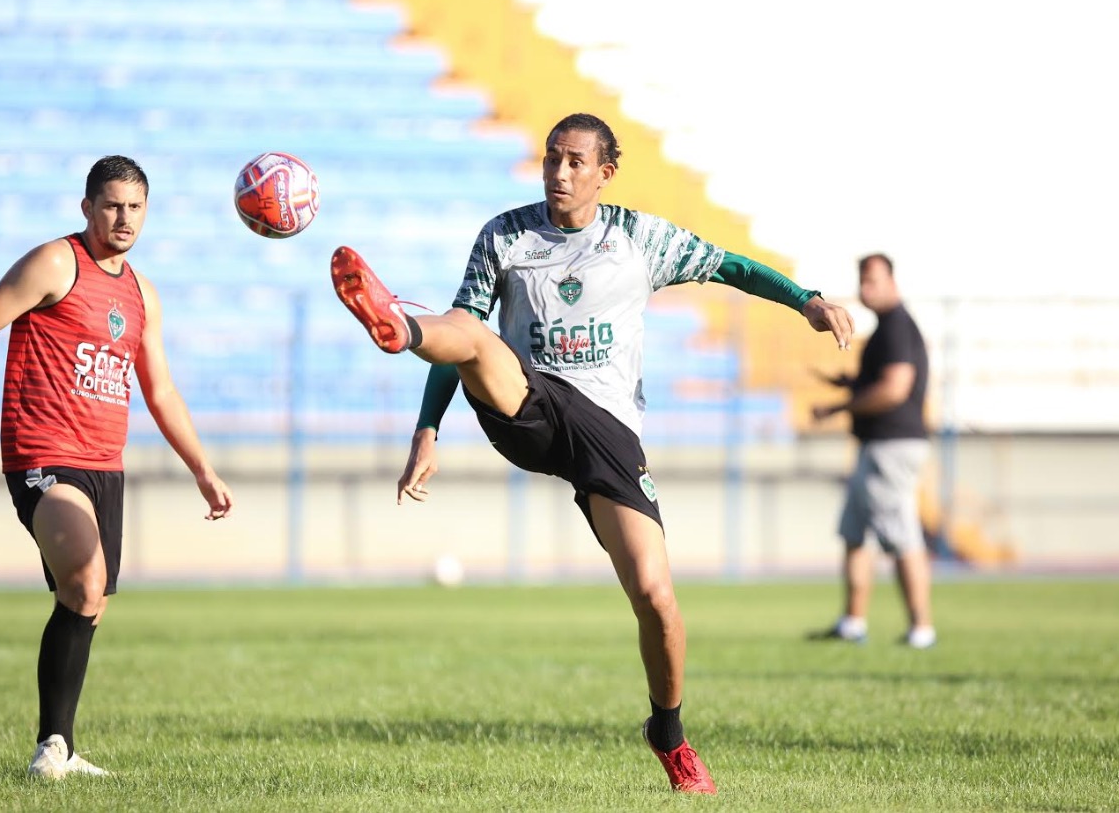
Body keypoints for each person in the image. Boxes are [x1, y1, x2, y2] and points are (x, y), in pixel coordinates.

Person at [329, 113, 854, 794]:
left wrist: (804, 299)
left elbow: (731, 266)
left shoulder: (640, 238)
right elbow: (464, 332)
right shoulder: (507, 234)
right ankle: (397, 323)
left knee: (658, 600)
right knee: (475, 337)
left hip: (608, 436)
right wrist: (426, 429)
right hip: (529, 406)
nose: (559, 172)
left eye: (576, 162)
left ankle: (668, 732)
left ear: (606, 173)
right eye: (552, 159)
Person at [0, 155, 235, 779]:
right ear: (87, 208)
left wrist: (202, 470)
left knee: (88, 597)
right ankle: (51, 752)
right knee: (85, 572)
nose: (123, 217)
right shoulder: (56, 263)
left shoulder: (141, 294)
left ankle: (58, 746)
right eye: (111, 204)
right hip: (43, 454)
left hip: (107, 464)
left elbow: (160, 391)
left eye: (134, 207)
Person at [810, 252, 934, 649]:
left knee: (901, 537)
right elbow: (879, 382)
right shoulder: (885, 328)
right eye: (862, 281)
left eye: (873, 281)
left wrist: (838, 407)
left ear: (892, 283)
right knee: (856, 534)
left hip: (891, 446)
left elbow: (895, 388)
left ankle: (921, 629)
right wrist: (850, 384)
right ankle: (852, 623)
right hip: (876, 446)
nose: (866, 289)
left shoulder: (896, 325)